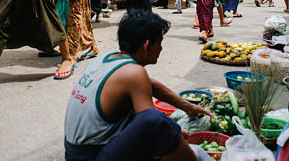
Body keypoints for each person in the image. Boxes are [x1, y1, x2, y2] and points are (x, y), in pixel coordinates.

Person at [64, 10, 209, 161]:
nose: (161, 48)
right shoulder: (134, 73)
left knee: (154, 121)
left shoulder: (107, 60)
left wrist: (188, 107)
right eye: (160, 42)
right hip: (91, 156)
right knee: (158, 122)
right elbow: (152, 124)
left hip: (74, 152)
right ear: (147, 45)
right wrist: (173, 133)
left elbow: (151, 85)